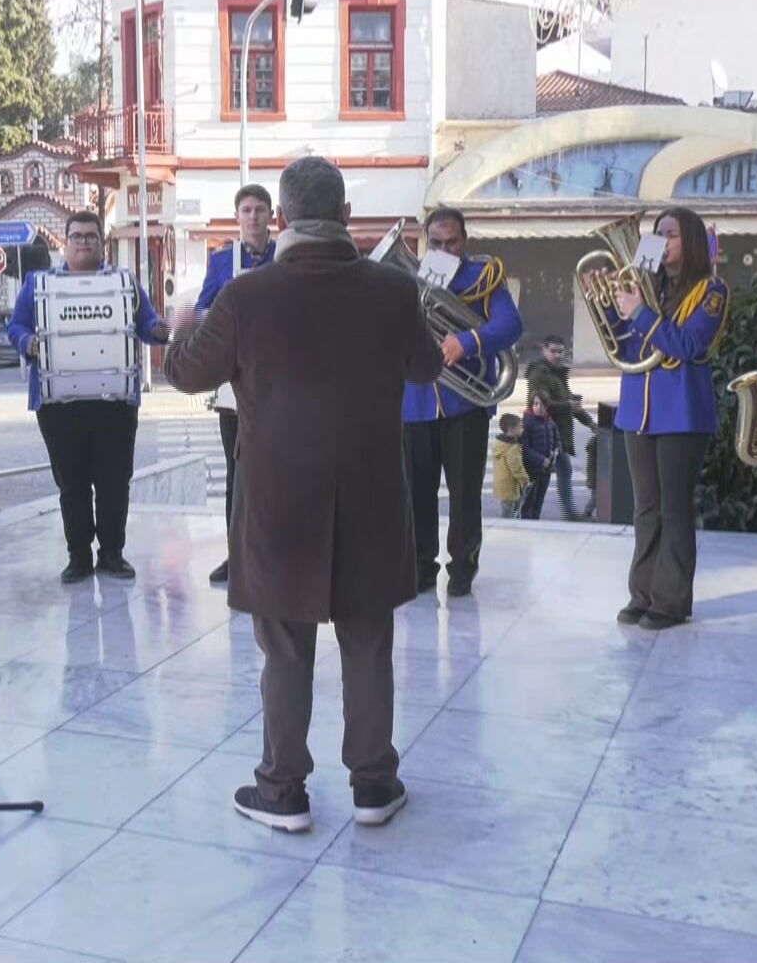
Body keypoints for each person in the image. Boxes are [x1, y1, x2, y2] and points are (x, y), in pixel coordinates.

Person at [163, 155, 443, 834]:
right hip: (374, 498)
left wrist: (177, 324)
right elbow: (428, 367)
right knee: (369, 644)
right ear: (347, 217)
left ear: (281, 219)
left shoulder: (246, 296)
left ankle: (282, 790)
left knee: (285, 650)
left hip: (278, 504)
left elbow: (186, 374)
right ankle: (374, 784)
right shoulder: (390, 289)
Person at [8, 210, 170, 583]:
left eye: (91, 237)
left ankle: (112, 553)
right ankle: (78, 555)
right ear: (65, 242)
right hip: (58, 403)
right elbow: (15, 326)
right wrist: (27, 342)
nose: (84, 242)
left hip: (113, 402)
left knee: (115, 481)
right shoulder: (37, 283)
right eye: (77, 236)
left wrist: (159, 329)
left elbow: (145, 322)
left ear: (102, 242)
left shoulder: (124, 282)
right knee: (72, 483)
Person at [607, 206, 730, 630]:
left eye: (671, 234)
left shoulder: (711, 290)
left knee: (675, 510)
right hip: (637, 409)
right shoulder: (647, 284)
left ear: (691, 241)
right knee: (646, 509)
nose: (660, 240)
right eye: (656, 233)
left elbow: (690, 344)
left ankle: (671, 601)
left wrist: (640, 311)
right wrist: (609, 304)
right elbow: (623, 342)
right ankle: (641, 595)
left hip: (681, 412)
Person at [401, 206, 523, 597]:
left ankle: (463, 568)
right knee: (416, 490)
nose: (444, 249)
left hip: (464, 403)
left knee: (465, 492)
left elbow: (510, 325)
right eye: (435, 242)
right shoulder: (407, 280)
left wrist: (466, 341)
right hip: (416, 401)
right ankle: (421, 566)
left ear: (464, 240)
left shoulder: (483, 278)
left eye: (451, 241)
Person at [197, 183, 277, 586]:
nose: (253, 217)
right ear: (237, 216)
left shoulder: (288, 255)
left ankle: (279, 556)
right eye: (246, 209)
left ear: (271, 215)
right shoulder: (222, 261)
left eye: (260, 209)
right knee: (237, 471)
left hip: (283, 383)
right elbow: (201, 310)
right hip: (235, 384)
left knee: (282, 472)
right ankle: (237, 556)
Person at [524, 334, 596, 519]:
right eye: (553, 351)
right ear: (544, 350)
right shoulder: (539, 374)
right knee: (542, 475)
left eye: (560, 351)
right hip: (543, 430)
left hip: (553, 430)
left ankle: (564, 513)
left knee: (561, 470)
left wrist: (589, 422)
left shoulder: (557, 373)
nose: (557, 355)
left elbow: (568, 402)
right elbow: (539, 403)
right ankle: (529, 514)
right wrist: (568, 405)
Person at [520, 398, 559, 520]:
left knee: (539, 499)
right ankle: (527, 523)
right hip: (532, 469)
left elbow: (556, 438)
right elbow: (525, 449)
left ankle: (535, 520)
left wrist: (556, 450)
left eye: (542, 404)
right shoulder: (527, 423)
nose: (539, 407)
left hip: (546, 469)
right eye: (536, 404)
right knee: (529, 500)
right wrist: (541, 460)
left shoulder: (550, 421)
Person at [490, 414, 527, 519]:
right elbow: (517, 469)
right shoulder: (512, 448)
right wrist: (525, 480)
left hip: (502, 485)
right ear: (511, 429)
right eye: (519, 427)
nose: (522, 429)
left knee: (507, 509)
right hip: (510, 487)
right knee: (508, 514)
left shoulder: (500, 443)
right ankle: (505, 531)